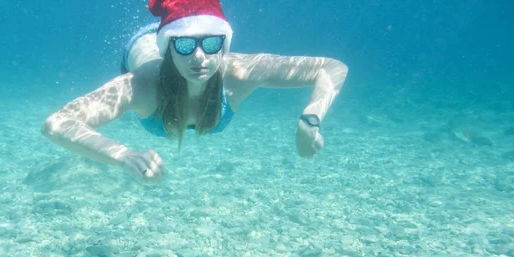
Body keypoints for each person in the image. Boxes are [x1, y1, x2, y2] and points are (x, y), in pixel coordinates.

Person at [42, 0, 348, 182]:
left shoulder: (241, 71)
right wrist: (123, 156)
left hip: (170, 34)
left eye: (212, 43)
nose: (200, 57)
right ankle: (162, 38)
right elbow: (57, 123)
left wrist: (311, 118)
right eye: (186, 46)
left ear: (224, 44)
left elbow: (333, 67)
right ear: (172, 48)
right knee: (148, 49)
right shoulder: (143, 84)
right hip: (145, 46)